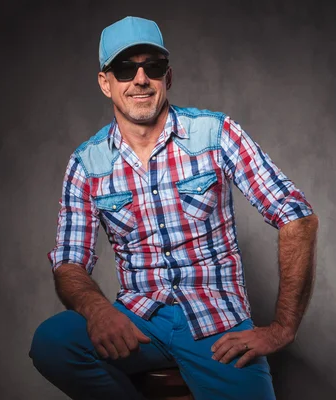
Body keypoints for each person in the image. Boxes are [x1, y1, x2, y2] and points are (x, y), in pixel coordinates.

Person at [29, 15, 318, 400]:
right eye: (125, 68)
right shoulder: (87, 164)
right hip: (139, 321)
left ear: (168, 76)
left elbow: (296, 215)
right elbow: (68, 261)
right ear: (106, 83)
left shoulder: (215, 135)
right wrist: (99, 311)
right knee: (52, 343)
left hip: (216, 324)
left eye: (154, 66)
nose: (141, 78)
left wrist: (283, 327)